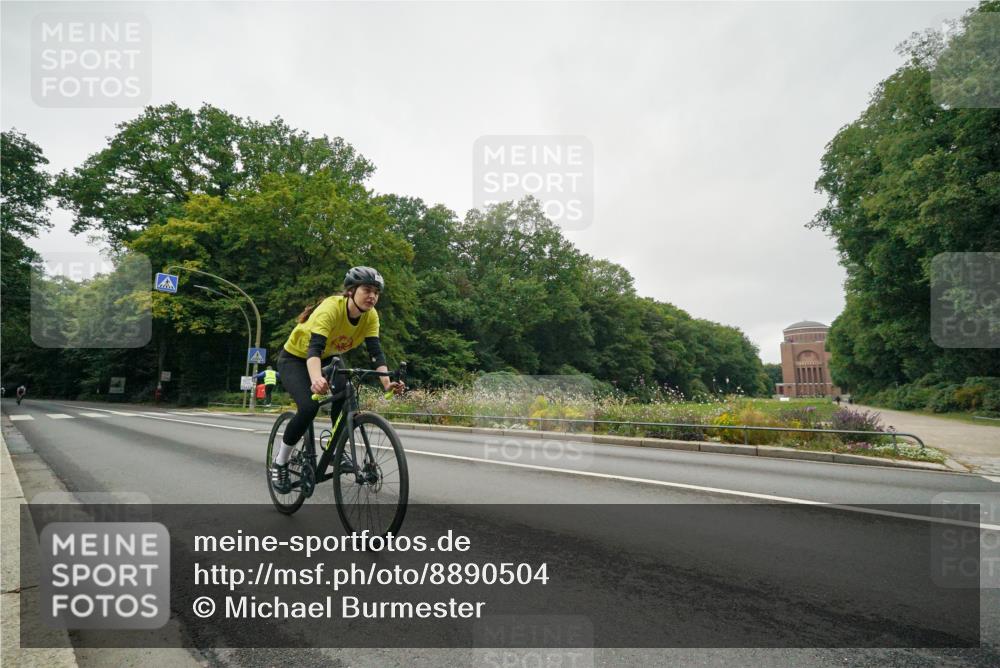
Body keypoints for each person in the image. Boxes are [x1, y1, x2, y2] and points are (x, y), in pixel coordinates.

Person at [271, 266, 405, 493]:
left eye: (376, 292)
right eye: (367, 290)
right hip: (295, 358)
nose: (372, 296)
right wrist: (315, 380)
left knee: (346, 392)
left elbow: (375, 352)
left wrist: (386, 383)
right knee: (308, 407)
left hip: (329, 357)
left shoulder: (371, 316)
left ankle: (335, 451)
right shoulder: (331, 309)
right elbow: (313, 350)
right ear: (351, 291)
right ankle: (280, 462)